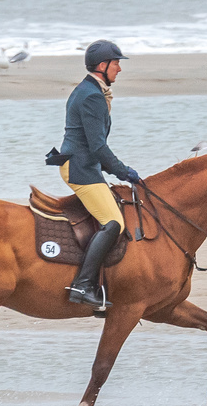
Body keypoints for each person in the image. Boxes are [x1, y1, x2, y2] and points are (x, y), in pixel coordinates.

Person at [50, 39, 142, 309]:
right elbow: (97, 145)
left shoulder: (88, 89)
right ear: (102, 66)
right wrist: (123, 172)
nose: (119, 70)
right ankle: (82, 285)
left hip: (84, 164)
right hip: (80, 169)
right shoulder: (91, 96)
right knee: (114, 222)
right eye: (116, 64)